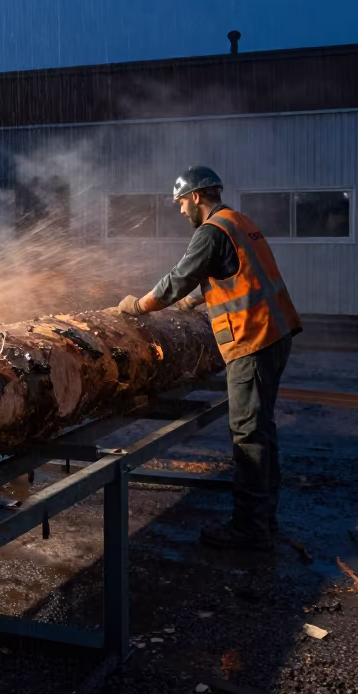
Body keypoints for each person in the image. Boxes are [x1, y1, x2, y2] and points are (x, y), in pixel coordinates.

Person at [117, 166, 302, 550]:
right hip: (276, 332)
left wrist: (139, 306)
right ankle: (263, 519)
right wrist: (193, 302)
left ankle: (249, 530)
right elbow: (235, 275)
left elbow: (179, 277)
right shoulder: (239, 222)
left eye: (182, 202)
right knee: (262, 431)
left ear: (198, 196)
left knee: (249, 434)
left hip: (253, 339)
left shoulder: (210, 231)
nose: (181, 210)